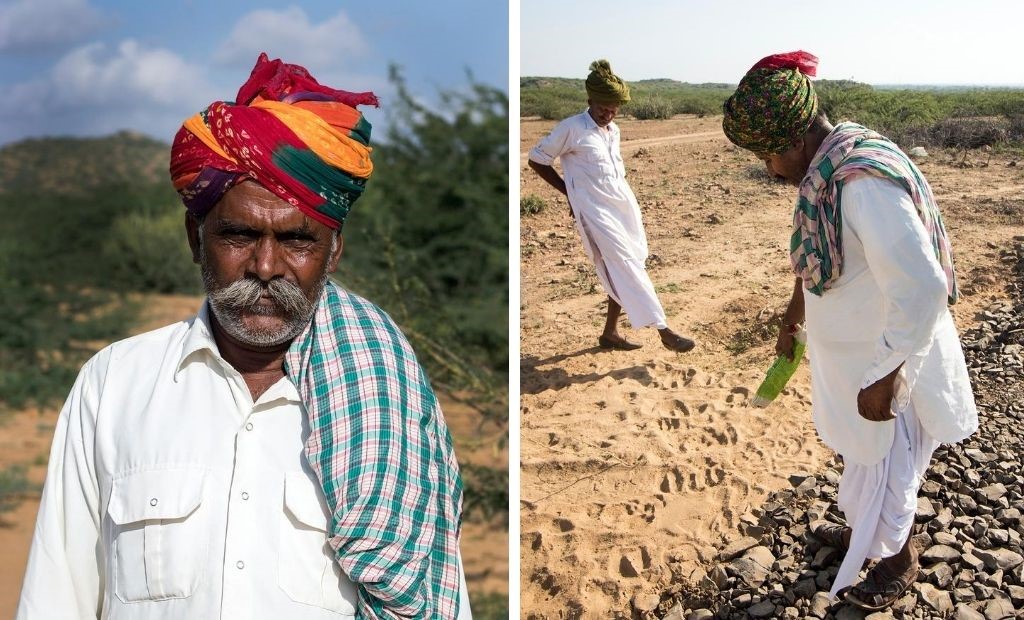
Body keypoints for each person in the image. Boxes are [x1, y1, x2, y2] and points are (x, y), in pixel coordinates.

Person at [17, 53, 470, 620]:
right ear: (194, 237)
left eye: (297, 242)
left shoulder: (384, 395)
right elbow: (58, 596)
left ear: (333, 253)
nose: (265, 265)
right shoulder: (113, 384)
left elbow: (428, 595)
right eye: (238, 234)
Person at [722, 51, 977, 610]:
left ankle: (896, 558)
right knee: (864, 457)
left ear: (795, 140)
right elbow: (819, 252)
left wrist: (885, 377)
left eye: (768, 155)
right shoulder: (831, 162)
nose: (769, 168)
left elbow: (923, 288)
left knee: (884, 459)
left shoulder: (860, 184)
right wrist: (796, 312)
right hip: (853, 355)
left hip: (884, 361)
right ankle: (866, 535)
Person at [527, 60, 695, 353]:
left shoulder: (613, 130)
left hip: (622, 206)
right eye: (603, 107)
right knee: (624, 264)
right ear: (590, 100)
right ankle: (664, 330)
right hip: (593, 211)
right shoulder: (572, 128)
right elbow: (537, 159)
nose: (608, 113)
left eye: (614, 108)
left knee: (630, 261)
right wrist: (569, 193)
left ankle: (610, 334)